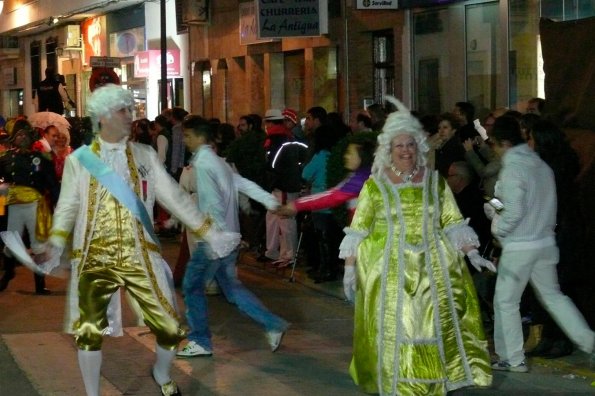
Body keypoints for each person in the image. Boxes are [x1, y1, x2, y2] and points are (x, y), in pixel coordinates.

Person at [41, 84, 239, 396]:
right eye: (123, 111)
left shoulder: (144, 155)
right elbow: (67, 206)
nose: (130, 117)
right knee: (89, 331)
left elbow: (175, 198)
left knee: (170, 328)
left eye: (129, 111)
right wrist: (55, 242)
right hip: (95, 255)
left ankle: (160, 373)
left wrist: (211, 232)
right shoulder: (80, 160)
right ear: (103, 117)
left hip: (139, 252)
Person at [339, 96, 494, 395]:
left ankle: (435, 378)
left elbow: (452, 222)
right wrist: (350, 269)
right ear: (389, 149)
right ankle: (400, 380)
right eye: (400, 146)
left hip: (434, 268)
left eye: (410, 144)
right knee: (401, 326)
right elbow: (358, 231)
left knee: (432, 325)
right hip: (391, 271)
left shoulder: (435, 181)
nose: (406, 151)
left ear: (418, 147)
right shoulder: (375, 186)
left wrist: (472, 253)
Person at [487, 115, 595, 373]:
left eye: (493, 144)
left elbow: (511, 212)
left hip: (520, 246)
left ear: (502, 143)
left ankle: (512, 358)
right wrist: (496, 208)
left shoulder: (513, 169)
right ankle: (589, 341)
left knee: (506, 302)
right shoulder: (541, 165)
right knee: (554, 297)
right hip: (546, 242)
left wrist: (496, 223)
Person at [176, 115, 289, 358]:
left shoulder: (205, 165)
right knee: (231, 288)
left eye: (187, 135)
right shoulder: (219, 162)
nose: (185, 140)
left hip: (214, 240)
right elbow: (243, 185)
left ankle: (200, 340)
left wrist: (211, 237)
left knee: (192, 287)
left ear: (198, 137)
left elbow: (211, 204)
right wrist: (270, 201)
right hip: (227, 237)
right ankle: (272, 323)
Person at [0, 125, 60, 294]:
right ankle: (8, 273)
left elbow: (52, 183)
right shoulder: (6, 157)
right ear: (13, 138)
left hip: (35, 205)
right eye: (19, 135)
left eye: (25, 135)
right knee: (11, 241)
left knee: (38, 245)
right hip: (14, 205)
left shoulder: (41, 158)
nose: (22, 138)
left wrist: (59, 202)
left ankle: (40, 284)